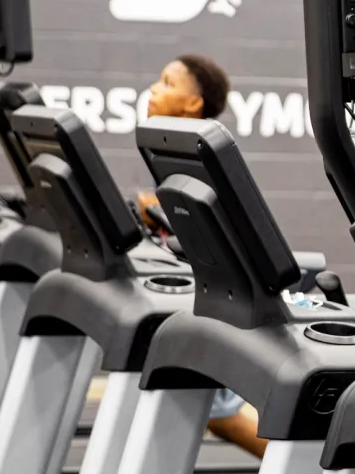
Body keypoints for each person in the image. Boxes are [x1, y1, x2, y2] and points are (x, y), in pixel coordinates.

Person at [135, 54, 268, 457]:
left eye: (167, 83)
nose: (154, 89)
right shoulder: (169, 146)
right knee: (209, 407)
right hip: (198, 289)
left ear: (194, 103)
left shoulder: (200, 152)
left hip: (223, 294)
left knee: (219, 410)